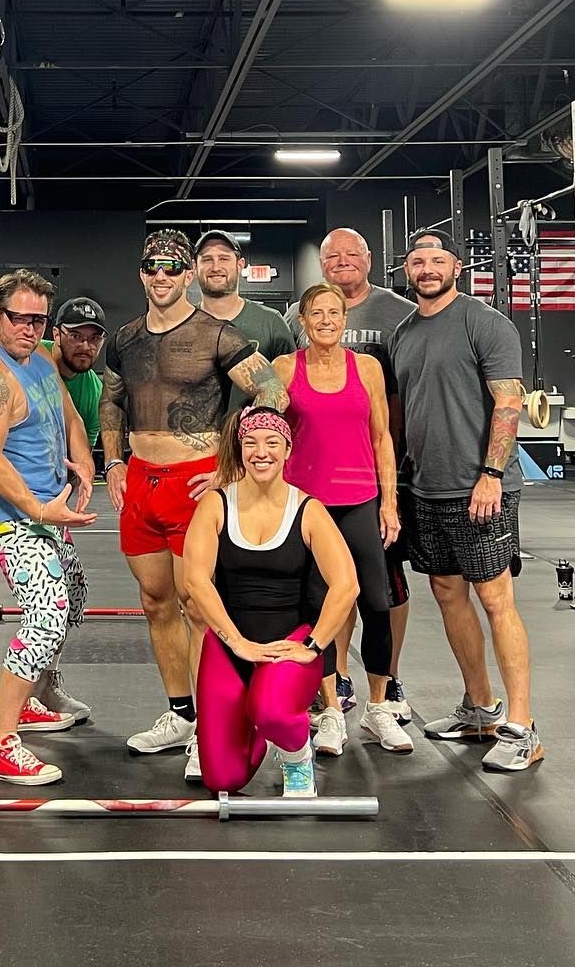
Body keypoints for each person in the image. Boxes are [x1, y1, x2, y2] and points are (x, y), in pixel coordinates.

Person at [101, 228, 287, 783]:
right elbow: (112, 400)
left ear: (186, 274)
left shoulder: (216, 333)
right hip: (141, 480)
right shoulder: (126, 337)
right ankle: (181, 714)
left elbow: (273, 391)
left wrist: (230, 463)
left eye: (171, 267)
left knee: (200, 608)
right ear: (142, 274)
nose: (161, 276)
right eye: (151, 267)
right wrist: (113, 463)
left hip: (193, 482)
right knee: (156, 602)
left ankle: (211, 725)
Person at [389, 229, 543, 773]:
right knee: (448, 593)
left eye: (436, 260)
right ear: (406, 269)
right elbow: (404, 415)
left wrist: (492, 474)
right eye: (417, 260)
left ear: (456, 265)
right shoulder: (404, 333)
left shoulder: (485, 322)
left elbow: (508, 402)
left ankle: (522, 727)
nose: (426, 268)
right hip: (425, 487)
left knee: (496, 599)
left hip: (481, 488)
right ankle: (480, 709)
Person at [0, 269, 97, 785]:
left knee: (73, 595)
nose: (31, 329)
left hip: (45, 510)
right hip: (6, 517)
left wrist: (82, 462)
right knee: (46, 614)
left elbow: (71, 418)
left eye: (39, 320)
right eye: (20, 318)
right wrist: (39, 512)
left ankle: (29, 698)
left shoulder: (38, 360)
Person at [184, 407, 358, 797]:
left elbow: (346, 584)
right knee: (222, 779)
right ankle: (254, 720)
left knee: (273, 711)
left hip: (288, 642)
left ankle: (296, 757)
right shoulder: (215, 504)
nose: (260, 452)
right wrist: (237, 642)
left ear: (287, 449)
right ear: (240, 449)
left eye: (271, 443)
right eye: (250, 443)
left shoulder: (308, 509)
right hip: (232, 645)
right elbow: (195, 579)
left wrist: (312, 646)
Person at [274, 283, 411, 758]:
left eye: (335, 312)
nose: (327, 320)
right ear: (303, 320)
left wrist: (389, 502)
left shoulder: (367, 368)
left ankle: (378, 708)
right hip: (308, 509)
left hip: (360, 500)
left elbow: (382, 438)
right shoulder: (285, 368)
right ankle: (331, 710)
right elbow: (264, 432)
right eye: (317, 313)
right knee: (318, 609)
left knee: (377, 602)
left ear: (345, 319)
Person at [193, 230, 295, 407]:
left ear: (240, 265)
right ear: (194, 267)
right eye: (207, 259)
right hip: (195, 432)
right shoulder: (182, 324)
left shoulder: (271, 322)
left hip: (252, 433)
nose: (215, 267)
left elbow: (291, 388)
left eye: (224, 259)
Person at [43, 296, 106, 450]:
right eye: (76, 336)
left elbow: (83, 455)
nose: (86, 346)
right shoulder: (30, 356)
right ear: (57, 335)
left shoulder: (96, 392)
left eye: (95, 338)